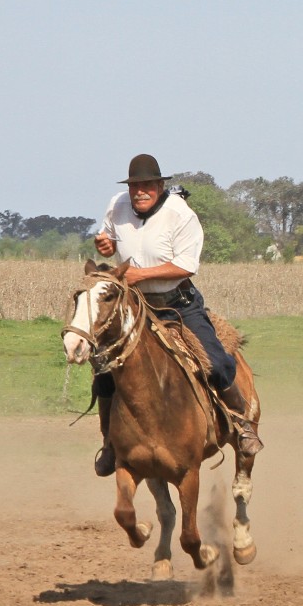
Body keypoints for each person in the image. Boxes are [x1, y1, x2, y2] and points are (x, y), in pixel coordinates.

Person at [88, 154, 262, 475]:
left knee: (218, 361)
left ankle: (241, 425)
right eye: (134, 186)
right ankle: (110, 443)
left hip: (178, 303)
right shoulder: (117, 204)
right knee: (103, 368)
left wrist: (139, 275)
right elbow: (109, 240)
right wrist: (105, 246)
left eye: (146, 185)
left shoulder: (180, 215)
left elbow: (185, 266)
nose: (139, 191)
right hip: (135, 306)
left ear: (159, 185)